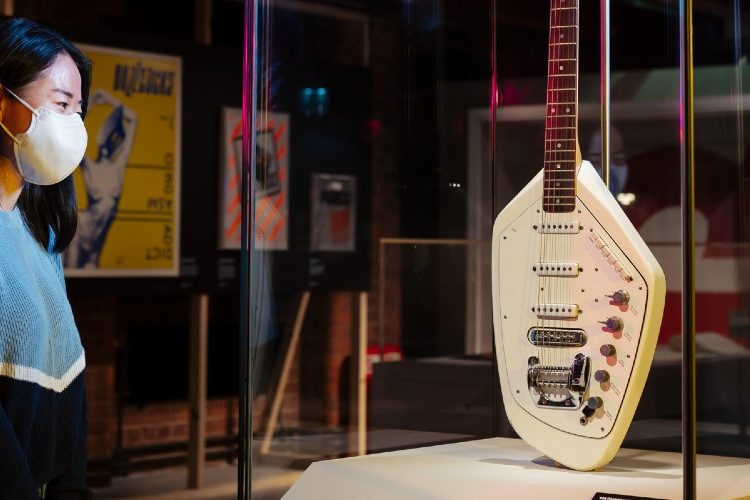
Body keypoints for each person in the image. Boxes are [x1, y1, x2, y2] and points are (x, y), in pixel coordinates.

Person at [0, 18, 92, 499]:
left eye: (78, 109)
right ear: (2, 102)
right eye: (60, 104)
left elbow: (66, 367)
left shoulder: (41, 230)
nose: (72, 124)